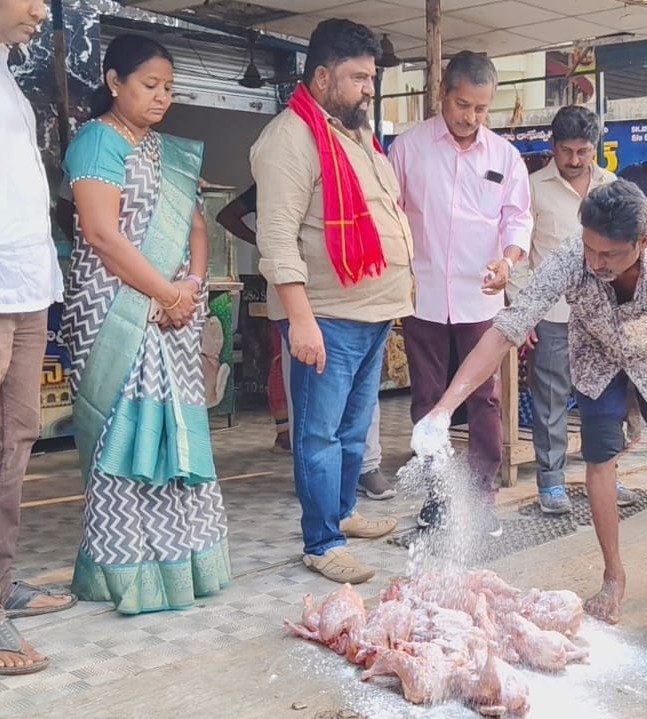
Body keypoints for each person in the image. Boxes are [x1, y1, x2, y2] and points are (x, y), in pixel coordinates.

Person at [412, 180, 647, 624]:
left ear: (641, 242)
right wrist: (442, 409)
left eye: (609, 255)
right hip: (597, 358)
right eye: (590, 249)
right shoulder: (571, 258)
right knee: (599, 459)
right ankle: (613, 575)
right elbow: (506, 329)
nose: (595, 261)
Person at [62, 35, 231, 614]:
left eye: (169, 88)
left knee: (172, 446)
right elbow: (103, 236)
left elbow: (198, 229)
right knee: (120, 443)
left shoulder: (170, 152)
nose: (162, 97)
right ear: (115, 82)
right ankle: (124, 576)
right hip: (113, 313)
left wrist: (192, 289)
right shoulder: (95, 143)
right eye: (149, 86)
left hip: (173, 316)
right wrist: (163, 292)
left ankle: (181, 571)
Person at [251, 18, 414, 584]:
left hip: (370, 314)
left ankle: (343, 513)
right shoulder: (289, 140)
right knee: (318, 434)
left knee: (351, 430)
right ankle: (321, 542)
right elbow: (275, 239)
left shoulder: (356, 134)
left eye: (371, 77)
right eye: (358, 78)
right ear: (322, 78)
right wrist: (301, 320)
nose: (369, 88)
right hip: (325, 316)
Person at [388, 50, 533, 536]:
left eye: (480, 109)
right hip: (423, 294)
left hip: (481, 294)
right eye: (462, 105)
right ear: (443, 96)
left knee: (483, 399)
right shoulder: (408, 149)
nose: (470, 117)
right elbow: (392, 213)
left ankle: (481, 495)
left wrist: (508, 261)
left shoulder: (504, 157)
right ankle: (436, 495)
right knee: (428, 397)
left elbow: (517, 217)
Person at [216, 187, 395, 499]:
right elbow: (229, 216)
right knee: (308, 398)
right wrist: (262, 243)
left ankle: (364, 469)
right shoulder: (280, 171)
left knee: (361, 399)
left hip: (353, 292)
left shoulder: (354, 162)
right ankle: (317, 488)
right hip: (299, 296)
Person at [0, 0, 77, 675]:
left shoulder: (11, 84)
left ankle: (0, 586)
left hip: (24, 290)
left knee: (15, 440)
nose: (37, 10)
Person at [514, 105, 640, 515]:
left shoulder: (613, 186)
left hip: (604, 316)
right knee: (549, 400)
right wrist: (523, 311)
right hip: (552, 314)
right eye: (566, 150)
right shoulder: (532, 187)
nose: (573, 160)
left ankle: (605, 474)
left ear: (595, 147)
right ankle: (551, 483)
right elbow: (520, 255)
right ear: (553, 146)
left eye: (583, 151)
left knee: (605, 398)